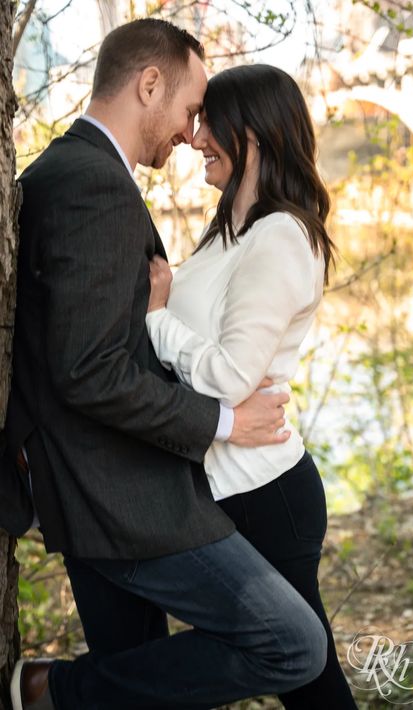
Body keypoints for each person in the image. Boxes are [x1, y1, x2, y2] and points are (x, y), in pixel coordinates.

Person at [3, 19, 328, 710]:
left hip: (116, 476)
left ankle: (47, 690)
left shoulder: (69, 173)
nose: (190, 132)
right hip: (118, 487)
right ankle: (45, 690)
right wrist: (221, 421)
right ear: (148, 84)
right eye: (188, 110)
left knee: (146, 677)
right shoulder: (93, 184)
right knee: (292, 643)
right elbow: (88, 368)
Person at [146, 64, 358, 709]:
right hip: (225, 485)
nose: (197, 134)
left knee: (304, 671)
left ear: (256, 135)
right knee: (300, 668)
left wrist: (156, 319)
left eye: (212, 120)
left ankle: (62, 691)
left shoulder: (282, 238)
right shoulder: (230, 233)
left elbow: (232, 376)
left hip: (265, 494)